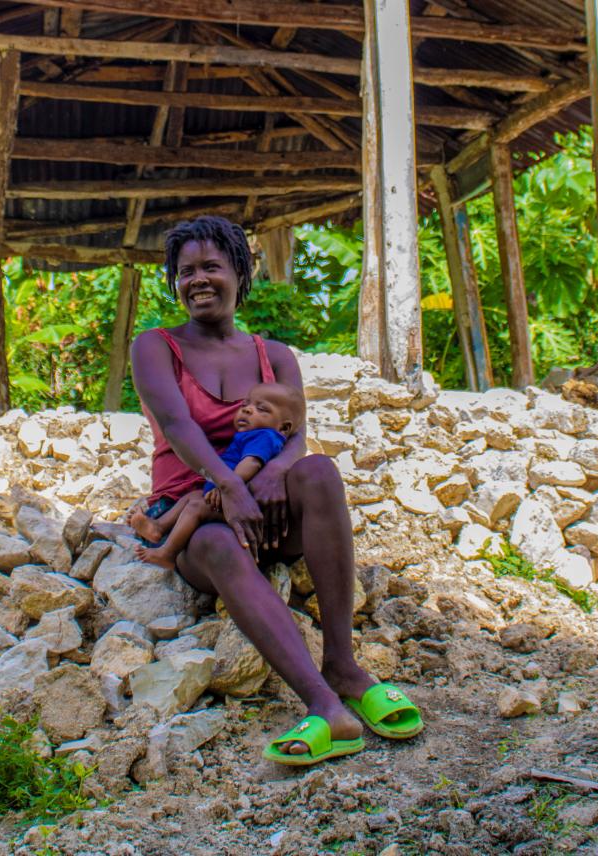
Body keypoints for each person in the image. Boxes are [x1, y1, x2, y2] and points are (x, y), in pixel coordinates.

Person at [131, 216, 424, 766]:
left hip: (264, 507)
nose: (198, 279)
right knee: (216, 543)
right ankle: (320, 701)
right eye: (185, 270)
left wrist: (266, 478)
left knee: (318, 472)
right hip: (193, 512)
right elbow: (176, 424)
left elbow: (296, 438)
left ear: (240, 273)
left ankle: (343, 663)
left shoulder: (277, 357)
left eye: (211, 267)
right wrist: (228, 486)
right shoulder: (154, 346)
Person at [129, 381, 304, 571]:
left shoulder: (266, 437)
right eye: (245, 405)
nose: (247, 411)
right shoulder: (254, 435)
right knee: (192, 497)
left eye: (261, 409)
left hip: (241, 501)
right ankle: (158, 527)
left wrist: (226, 486)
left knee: (196, 507)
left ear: (284, 428)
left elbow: (251, 463)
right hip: (227, 492)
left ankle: (168, 553)